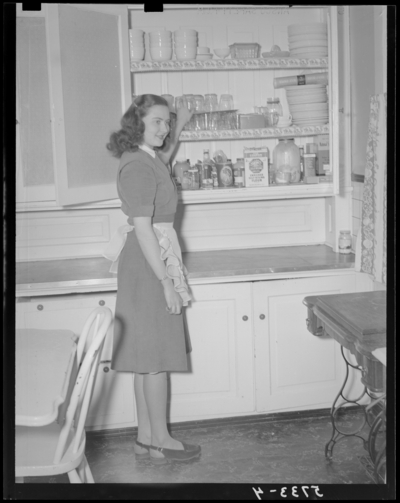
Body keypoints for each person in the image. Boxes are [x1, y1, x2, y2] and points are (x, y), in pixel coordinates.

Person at [105, 94, 200, 465]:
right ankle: (161, 439)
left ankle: (146, 438)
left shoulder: (144, 158)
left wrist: (181, 125)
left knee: (146, 358)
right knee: (156, 356)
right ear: (138, 124)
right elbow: (143, 229)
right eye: (158, 122)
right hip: (149, 264)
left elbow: (163, 159)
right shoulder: (137, 167)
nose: (165, 128)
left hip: (149, 259)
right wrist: (165, 281)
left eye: (167, 121)